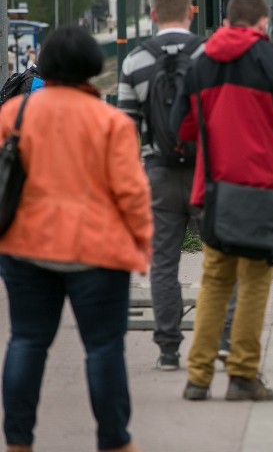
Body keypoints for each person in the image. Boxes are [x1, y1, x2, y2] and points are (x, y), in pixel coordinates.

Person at [0, 26, 152, 452]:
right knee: (103, 349)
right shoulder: (110, 122)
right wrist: (142, 247)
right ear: (92, 67)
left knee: (27, 342)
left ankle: (17, 442)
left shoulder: (13, 116)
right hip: (97, 253)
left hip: (25, 248)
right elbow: (132, 194)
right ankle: (115, 442)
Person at [172, 0, 273, 402]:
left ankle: (197, 378)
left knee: (214, 282)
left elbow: (179, 129)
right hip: (262, 189)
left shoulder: (199, 64)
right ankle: (242, 376)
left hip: (214, 190)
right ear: (263, 24)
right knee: (254, 284)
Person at [118, 0, 205, 372]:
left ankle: (168, 349)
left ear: (153, 15)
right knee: (221, 258)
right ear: (192, 12)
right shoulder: (210, 55)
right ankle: (221, 341)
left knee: (164, 264)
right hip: (207, 172)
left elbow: (126, 131)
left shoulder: (135, 61)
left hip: (159, 173)